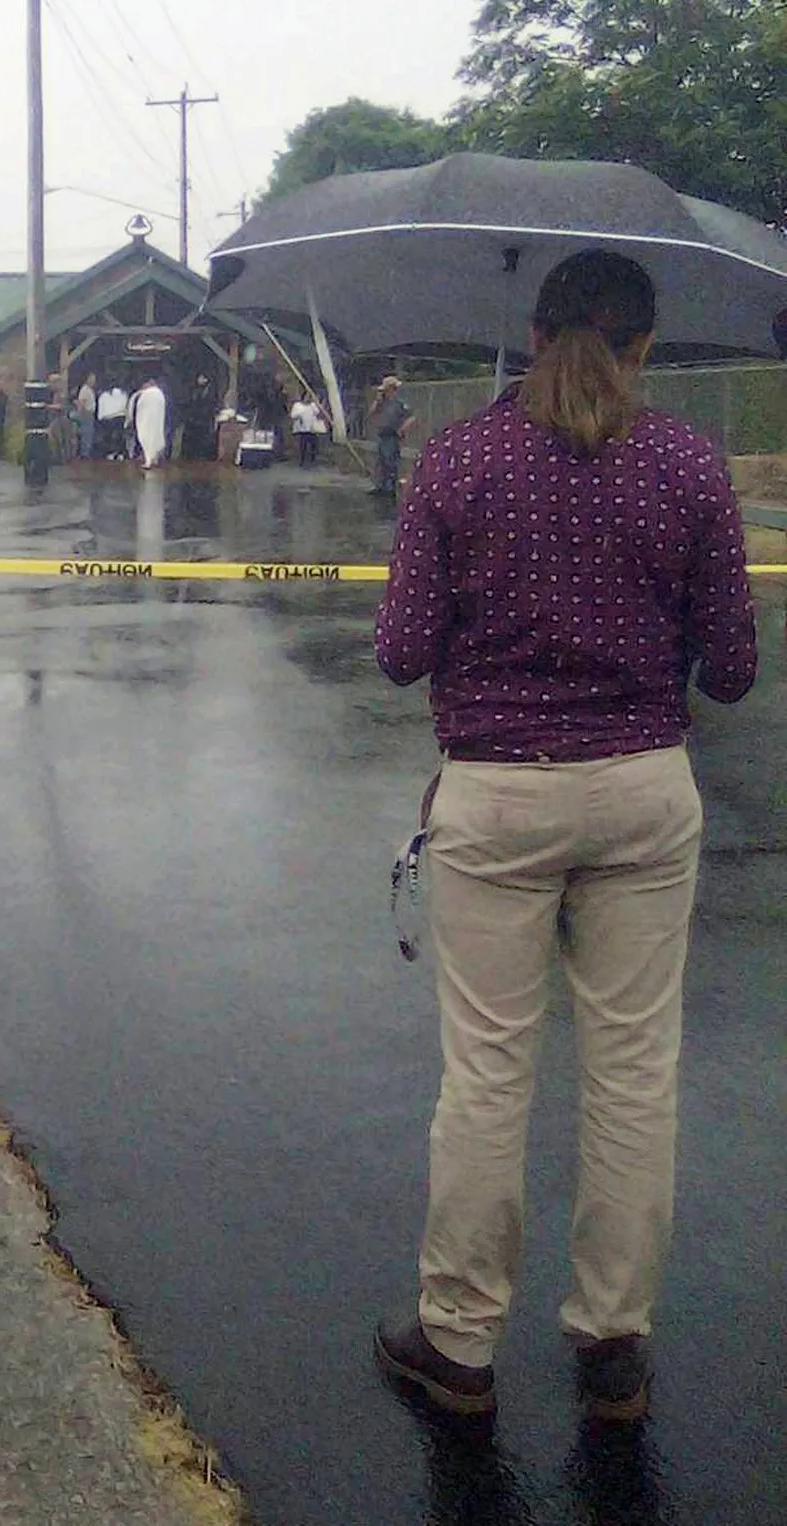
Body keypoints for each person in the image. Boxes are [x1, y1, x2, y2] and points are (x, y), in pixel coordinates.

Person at [371, 250, 758, 1423]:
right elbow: (731, 670)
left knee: (487, 1073)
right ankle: (610, 1344)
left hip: (496, 795)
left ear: (534, 335)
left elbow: (399, 650)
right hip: (642, 792)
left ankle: (456, 1340)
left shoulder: (458, 458)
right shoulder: (686, 464)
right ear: (641, 347)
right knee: (632, 1074)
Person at [367, 374, 414, 495]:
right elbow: (371, 412)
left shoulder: (400, 403)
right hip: (382, 435)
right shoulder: (382, 402)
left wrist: (402, 428)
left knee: (390, 461)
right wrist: (377, 400)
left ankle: (390, 487)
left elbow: (411, 417)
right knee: (381, 461)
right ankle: (380, 485)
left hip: (392, 435)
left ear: (392, 389)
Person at [131, 374, 169, 468]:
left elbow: (139, 408)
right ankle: (154, 458)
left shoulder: (145, 394)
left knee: (146, 439)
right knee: (155, 438)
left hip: (146, 421)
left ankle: (148, 460)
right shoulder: (159, 393)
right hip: (156, 421)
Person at [289, 391, 326, 467]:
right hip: (302, 429)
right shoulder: (297, 405)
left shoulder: (312, 405)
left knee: (314, 443)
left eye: (309, 397)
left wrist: (317, 403)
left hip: (311, 428)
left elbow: (317, 412)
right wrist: (300, 414)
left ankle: (313, 458)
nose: (308, 398)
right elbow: (293, 415)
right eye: (307, 396)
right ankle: (302, 459)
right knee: (303, 445)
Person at [97, 378, 130, 460]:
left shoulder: (104, 395)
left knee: (109, 437)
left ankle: (111, 453)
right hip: (120, 418)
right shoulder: (124, 394)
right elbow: (126, 407)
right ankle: (120, 454)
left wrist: (100, 418)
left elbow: (101, 409)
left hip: (108, 419)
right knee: (120, 437)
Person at [75, 374, 98, 461]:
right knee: (86, 433)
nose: (94, 381)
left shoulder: (90, 390)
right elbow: (82, 402)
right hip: (86, 414)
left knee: (89, 434)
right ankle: (84, 454)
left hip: (90, 413)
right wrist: (81, 413)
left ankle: (86, 452)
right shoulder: (85, 390)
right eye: (92, 379)